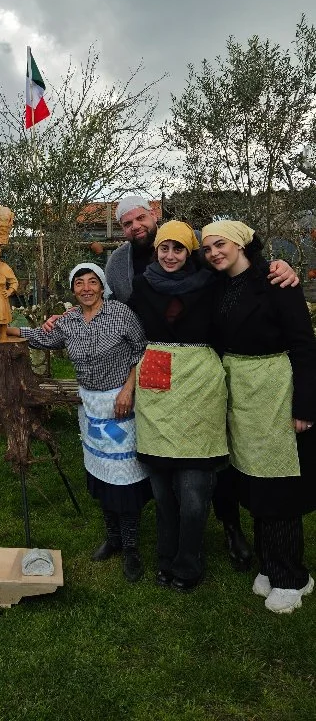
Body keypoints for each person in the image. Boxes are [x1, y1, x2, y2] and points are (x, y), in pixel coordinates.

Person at [104, 193, 298, 571]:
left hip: (203, 372)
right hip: (158, 364)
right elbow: (114, 309)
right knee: (161, 465)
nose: (135, 228)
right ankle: (165, 545)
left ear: (154, 214)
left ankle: (230, 528)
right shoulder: (122, 265)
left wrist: (278, 265)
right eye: (127, 224)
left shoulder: (203, 254)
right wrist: (71, 318)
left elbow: (238, 268)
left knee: (209, 458)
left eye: (139, 219)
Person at [7, 263, 150, 583]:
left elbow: (143, 351)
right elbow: (39, 338)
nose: (86, 288)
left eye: (92, 282)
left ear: (102, 286)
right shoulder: (68, 321)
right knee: (101, 475)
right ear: (73, 290)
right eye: (79, 283)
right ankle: (112, 538)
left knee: (124, 478)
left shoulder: (121, 314)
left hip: (120, 406)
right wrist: (5, 328)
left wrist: (129, 390)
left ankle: (131, 548)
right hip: (91, 408)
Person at [201, 221, 316, 614]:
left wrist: (305, 406)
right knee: (251, 479)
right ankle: (270, 565)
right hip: (240, 391)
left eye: (221, 244)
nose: (214, 252)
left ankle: (293, 578)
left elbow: (304, 344)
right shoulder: (218, 286)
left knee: (278, 485)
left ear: (241, 243)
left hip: (275, 390)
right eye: (208, 248)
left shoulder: (276, 280)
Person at [129, 221, 228, 591]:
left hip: (200, 386)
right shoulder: (142, 285)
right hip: (156, 388)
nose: (170, 256)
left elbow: (249, 268)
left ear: (191, 252)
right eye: (164, 249)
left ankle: (189, 562)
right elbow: (112, 315)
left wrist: (277, 268)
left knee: (193, 488)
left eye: (179, 249)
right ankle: (166, 557)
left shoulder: (211, 283)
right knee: (161, 488)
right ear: (155, 250)